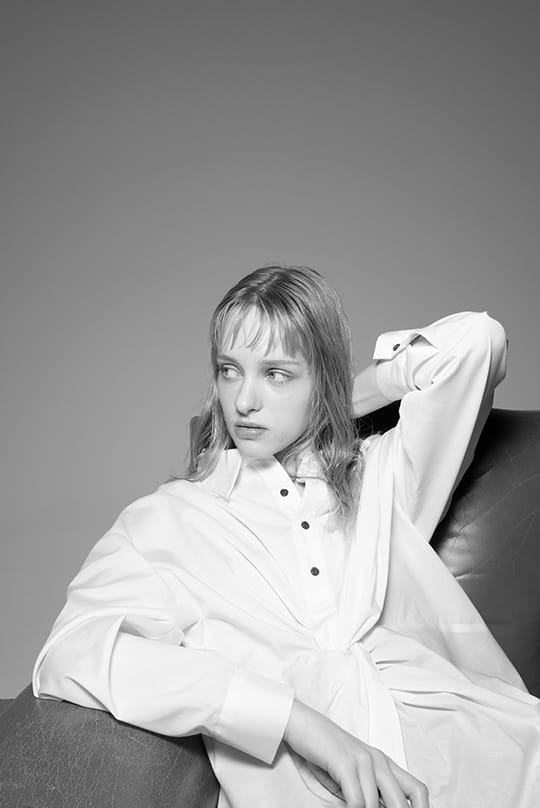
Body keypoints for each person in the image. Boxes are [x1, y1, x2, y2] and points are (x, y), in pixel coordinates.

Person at [33, 266, 540, 808]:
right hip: (315, 782)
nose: (244, 401)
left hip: (480, 751)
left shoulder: (378, 478)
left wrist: (336, 406)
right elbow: (69, 654)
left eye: (276, 374)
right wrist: (290, 719)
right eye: (230, 370)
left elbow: (476, 343)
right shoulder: (171, 518)